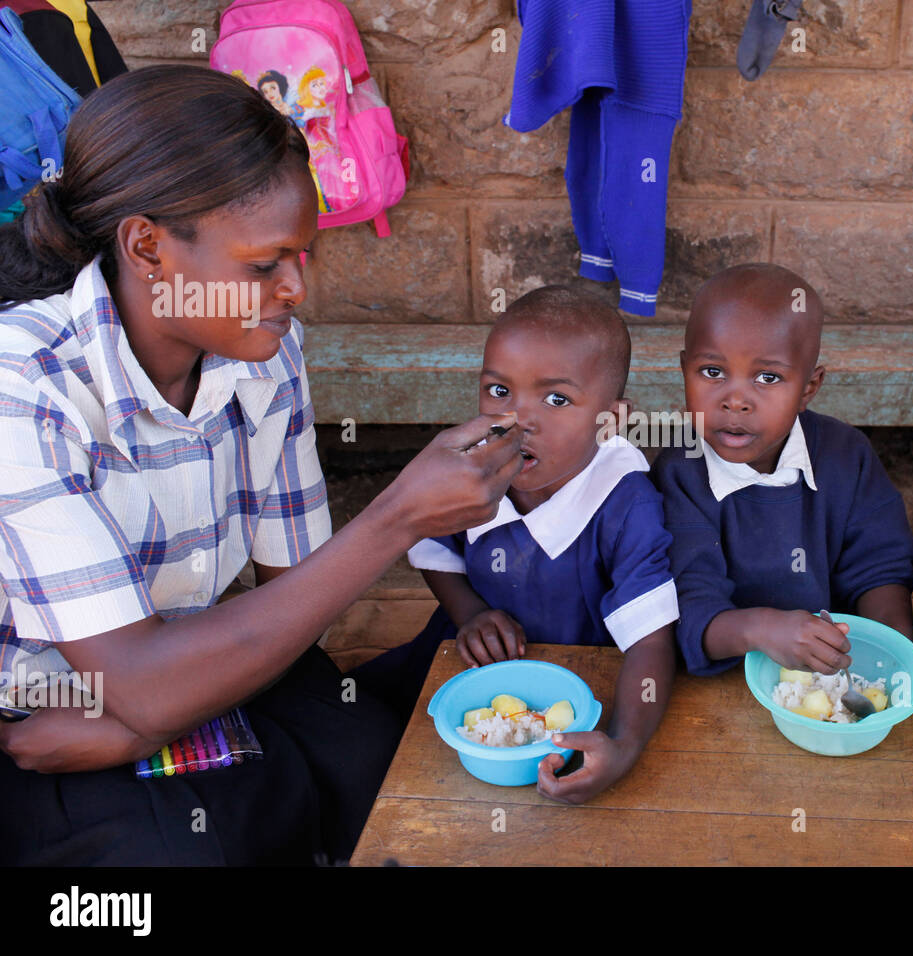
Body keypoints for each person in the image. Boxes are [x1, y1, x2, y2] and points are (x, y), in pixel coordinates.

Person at [0, 65, 523, 865]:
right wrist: (396, 518)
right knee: (176, 856)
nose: (294, 290)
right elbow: (133, 678)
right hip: (45, 707)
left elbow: (295, 598)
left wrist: (139, 721)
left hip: (173, 681)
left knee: (386, 767)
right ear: (147, 247)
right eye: (262, 265)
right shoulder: (26, 384)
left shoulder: (266, 356)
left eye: (303, 256)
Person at [384, 286, 679, 805]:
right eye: (499, 391)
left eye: (557, 399)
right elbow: (435, 549)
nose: (518, 420)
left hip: (583, 686)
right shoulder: (472, 464)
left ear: (610, 420)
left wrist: (625, 744)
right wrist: (469, 612)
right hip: (472, 665)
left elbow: (651, 639)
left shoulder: (626, 501)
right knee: (387, 743)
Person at [651, 263, 913, 677]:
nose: (736, 401)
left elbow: (879, 566)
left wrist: (895, 646)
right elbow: (688, 606)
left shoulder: (845, 455)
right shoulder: (679, 474)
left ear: (808, 388)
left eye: (768, 377)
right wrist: (761, 630)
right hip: (719, 682)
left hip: (834, 674)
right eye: (712, 372)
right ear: (683, 369)